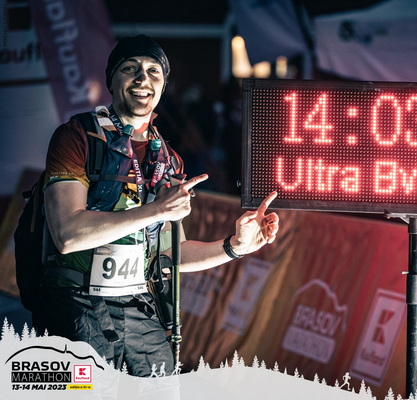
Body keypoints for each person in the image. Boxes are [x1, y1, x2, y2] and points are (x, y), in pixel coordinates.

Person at [35, 35, 279, 377]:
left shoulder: (167, 158)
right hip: (76, 306)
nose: (142, 79)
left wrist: (234, 246)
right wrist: (158, 210)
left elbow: (171, 254)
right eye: (130, 69)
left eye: (154, 72)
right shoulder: (77, 137)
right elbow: (67, 235)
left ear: (163, 86)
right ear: (112, 80)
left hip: (140, 309)